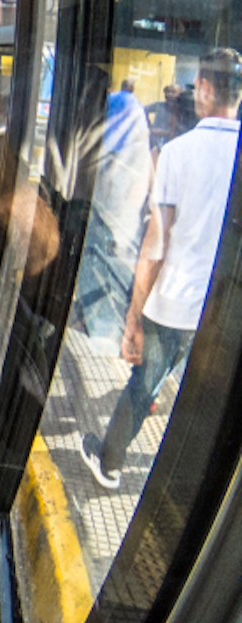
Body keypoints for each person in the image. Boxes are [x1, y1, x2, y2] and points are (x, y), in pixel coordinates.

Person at [81, 48, 242, 490]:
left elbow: (155, 243)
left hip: (174, 303)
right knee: (208, 398)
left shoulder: (177, 152)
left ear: (205, 89)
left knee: (145, 384)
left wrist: (133, 315)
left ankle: (109, 463)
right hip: (225, 309)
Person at [72, 77, 152, 351]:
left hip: (110, 211)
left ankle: (101, 330)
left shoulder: (119, 107)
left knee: (100, 262)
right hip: (119, 215)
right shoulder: (132, 111)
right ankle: (98, 326)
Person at [147, 83, 195, 152]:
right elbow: (142, 110)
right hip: (154, 145)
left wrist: (165, 132)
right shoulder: (159, 106)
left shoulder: (182, 112)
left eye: (173, 92)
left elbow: (183, 131)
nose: (169, 94)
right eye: (168, 91)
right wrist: (149, 126)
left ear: (179, 95)